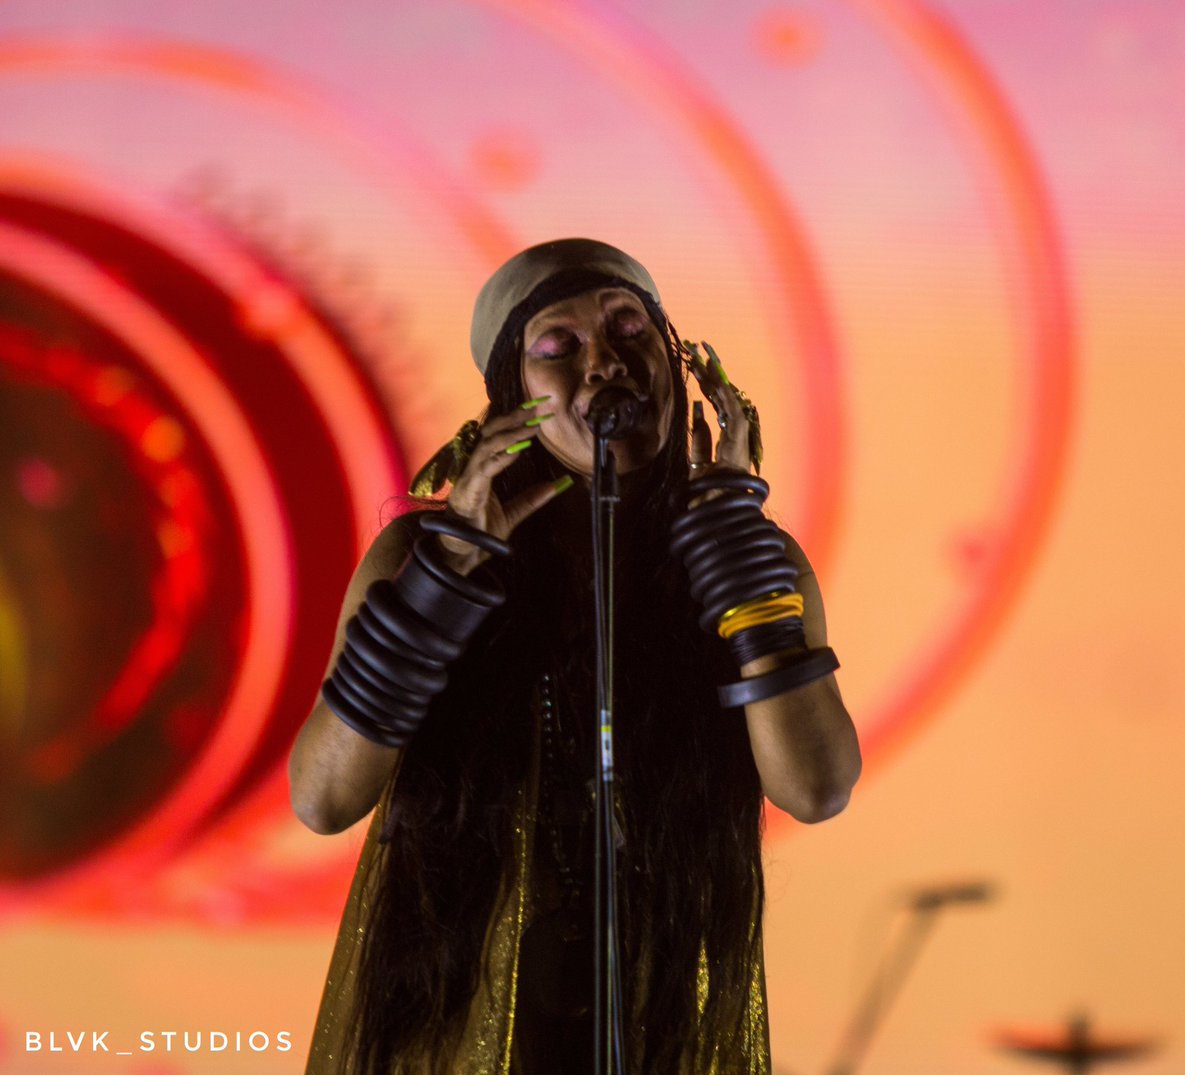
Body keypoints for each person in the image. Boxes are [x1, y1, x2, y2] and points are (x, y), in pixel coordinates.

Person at [289, 239, 861, 1074]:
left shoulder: (750, 562)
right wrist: (444, 585)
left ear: (676, 363)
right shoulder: (421, 555)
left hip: (659, 1026)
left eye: (629, 327)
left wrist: (736, 560)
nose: (605, 363)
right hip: (452, 1026)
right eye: (558, 346)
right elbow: (323, 796)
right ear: (510, 395)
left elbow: (815, 785)